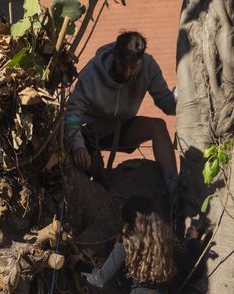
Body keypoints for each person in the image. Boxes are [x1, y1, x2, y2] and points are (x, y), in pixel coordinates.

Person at [65, 32, 178, 200]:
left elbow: (167, 104)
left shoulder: (148, 67)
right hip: (89, 135)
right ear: (114, 57)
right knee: (87, 171)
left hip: (120, 129)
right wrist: (78, 145)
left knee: (158, 126)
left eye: (133, 67)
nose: (127, 73)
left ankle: (174, 187)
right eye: (123, 66)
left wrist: (181, 92)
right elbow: (72, 114)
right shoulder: (92, 73)